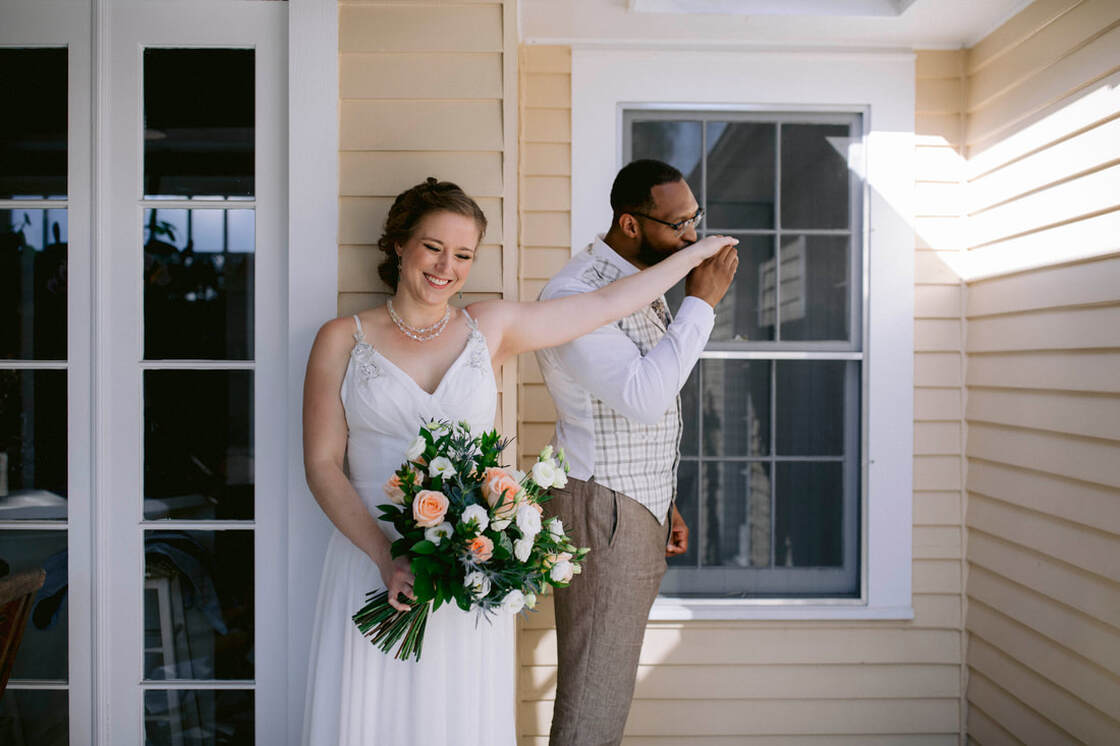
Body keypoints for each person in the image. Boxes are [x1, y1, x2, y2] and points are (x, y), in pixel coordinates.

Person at [301, 177, 738, 746]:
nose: (446, 267)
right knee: (376, 715)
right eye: (433, 247)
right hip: (372, 560)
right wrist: (386, 558)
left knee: (454, 713)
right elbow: (322, 464)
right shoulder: (342, 338)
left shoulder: (490, 327)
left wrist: (699, 253)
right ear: (399, 245)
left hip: (469, 564)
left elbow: (606, 303)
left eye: (463, 254)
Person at [536, 160, 739, 746]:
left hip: (634, 505)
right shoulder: (575, 294)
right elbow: (643, 399)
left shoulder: (641, 274)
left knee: (610, 683)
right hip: (603, 510)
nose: (692, 238)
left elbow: (636, 403)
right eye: (678, 225)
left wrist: (663, 499)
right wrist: (703, 302)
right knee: (594, 694)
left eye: (695, 220)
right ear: (630, 222)